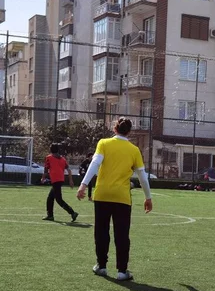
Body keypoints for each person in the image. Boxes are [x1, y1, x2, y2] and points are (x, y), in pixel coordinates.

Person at [76, 117, 153, 281]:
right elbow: (143, 177)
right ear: (129, 132)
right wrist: (148, 197)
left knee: (101, 231)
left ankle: (101, 266)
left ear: (114, 128)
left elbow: (95, 164)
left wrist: (83, 184)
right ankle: (122, 271)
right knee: (122, 234)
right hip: (122, 197)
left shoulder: (103, 143)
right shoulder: (134, 150)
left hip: (102, 194)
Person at [41, 144, 78, 222]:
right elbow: (69, 170)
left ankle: (72, 212)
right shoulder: (62, 159)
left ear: (51, 150)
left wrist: (43, 178)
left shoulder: (49, 158)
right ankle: (50, 215)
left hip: (55, 180)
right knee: (50, 198)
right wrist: (71, 180)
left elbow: (46, 170)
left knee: (58, 199)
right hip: (60, 180)